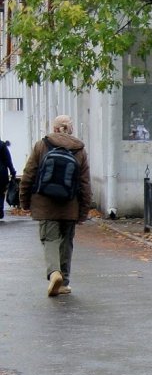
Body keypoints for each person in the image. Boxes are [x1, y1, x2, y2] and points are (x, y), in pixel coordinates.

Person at [19, 115, 93, 297]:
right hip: (70, 205)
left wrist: (24, 201)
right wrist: (83, 211)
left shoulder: (41, 145)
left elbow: (28, 174)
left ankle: (54, 273)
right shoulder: (80, 150)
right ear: (70, 129)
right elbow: (85, 184)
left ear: (55, 128)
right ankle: (64, 283)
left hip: (44, 203)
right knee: (66, 242)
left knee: (50, 240)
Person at [0, 139, 15, 219]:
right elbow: (8, 160)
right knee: (1, 192)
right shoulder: (2, 145)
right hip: (1, 174)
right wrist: (13, 172)